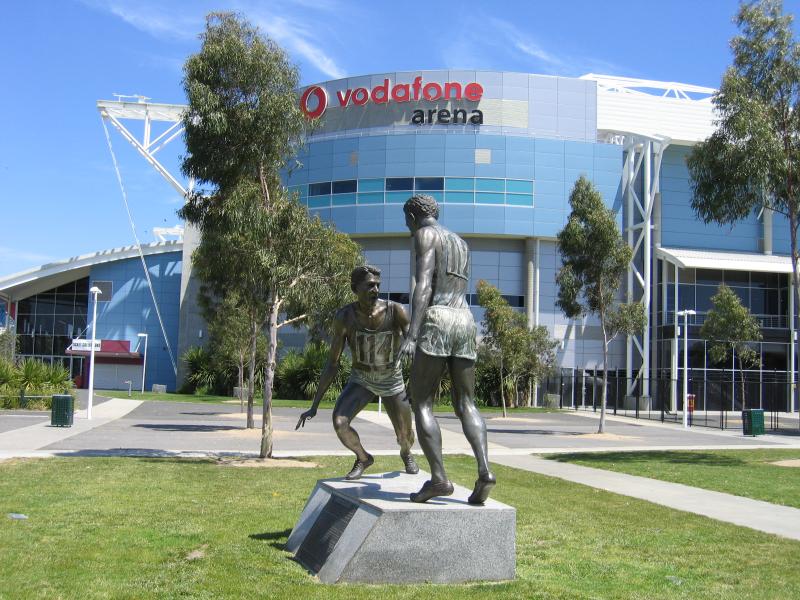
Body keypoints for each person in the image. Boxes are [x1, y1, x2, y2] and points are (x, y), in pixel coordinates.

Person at [398, 194, 496, 504]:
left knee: (422, 402)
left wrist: (412, 335)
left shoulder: (424, 235)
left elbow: (424, 285)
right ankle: (484, 470)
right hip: (465, 321)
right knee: (466, 402)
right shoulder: (461, 243)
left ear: (413, 216)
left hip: (438, 319)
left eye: (406, 219)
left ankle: (439, 478)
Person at [296, 265, 419, 480]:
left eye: (378, 286)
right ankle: (363, 458)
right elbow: (332, 363)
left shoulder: (396, 310)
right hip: (361, 379)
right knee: (340, 423)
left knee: (405, 436)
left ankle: (406, 452)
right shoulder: (344, 317)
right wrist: (314, 405)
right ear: (355, 288)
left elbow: (414, 345)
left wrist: (416, 384)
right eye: (370, 285)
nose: (376, 290)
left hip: (392, 380)